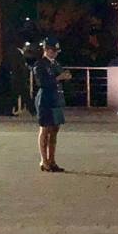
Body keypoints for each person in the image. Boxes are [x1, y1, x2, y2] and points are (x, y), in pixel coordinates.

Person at [34, 37, 71, 173]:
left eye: (56, 51)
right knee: (45, 129)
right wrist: (59, 78)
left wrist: (65, 77)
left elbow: (60, 77)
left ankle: (52, 160)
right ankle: (44, 161)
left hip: (56, 98)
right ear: (46, 50)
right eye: (52, 50)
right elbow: (42, 83)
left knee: (55, 130)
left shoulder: (55, 63)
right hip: (46, 99)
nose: (55, 53)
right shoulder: (40, 64)